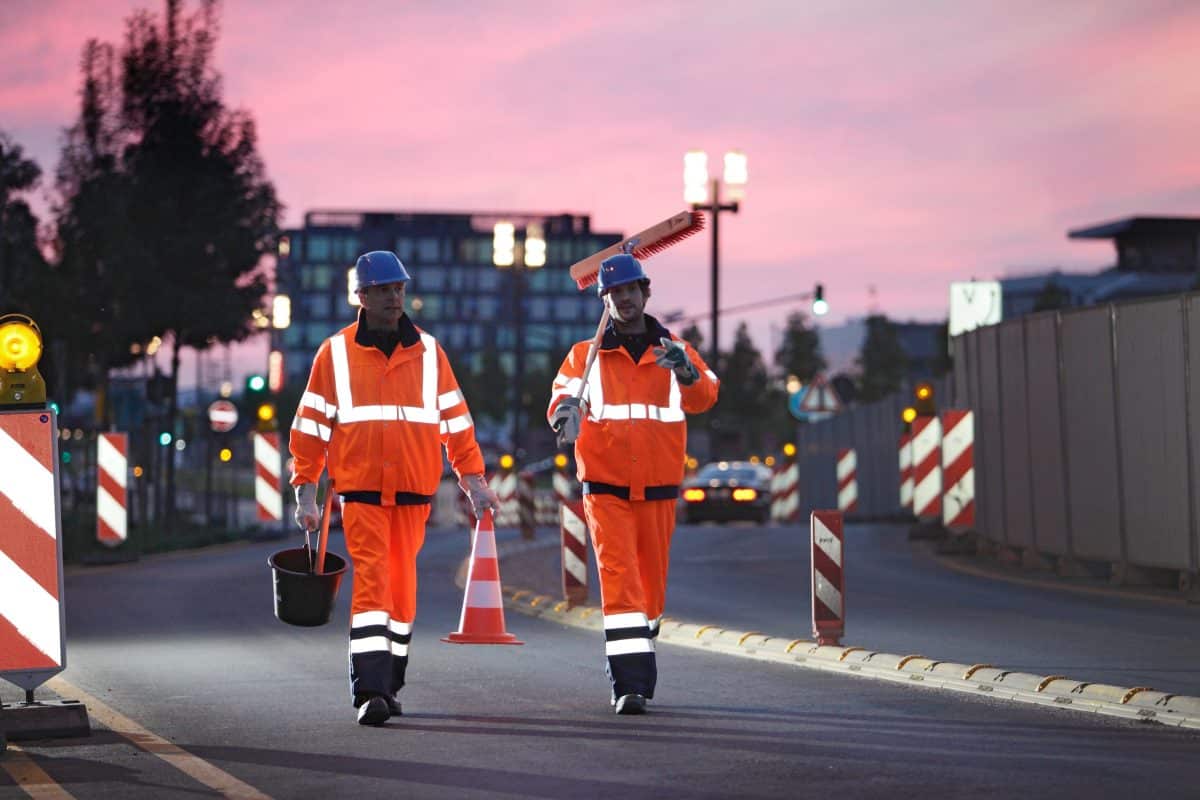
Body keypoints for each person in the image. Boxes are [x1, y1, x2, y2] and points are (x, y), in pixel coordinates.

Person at [290, 250, 500, 726]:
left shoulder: (429, 352)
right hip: (362, 492)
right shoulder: (335, 353)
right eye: (383, 290)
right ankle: (371, 689)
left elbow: (456, 423)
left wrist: (474, 481)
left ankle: (391, 681)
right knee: (372, 581)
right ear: (361, 296)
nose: (394, 297)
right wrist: (306, 491)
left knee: (401, 592)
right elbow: (310, 429)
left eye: (399, 289)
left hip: (412, 492)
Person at [546, 252, 719, 715]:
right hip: (605, 486)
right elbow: (563, 397)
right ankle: (630, 685)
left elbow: (705, 396)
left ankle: (641, 641)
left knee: (650, 589)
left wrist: (684, 370)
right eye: (614, 293)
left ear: (645, 292)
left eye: (630, 290)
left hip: (658, 486)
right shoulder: (585, 356)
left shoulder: (675, 349)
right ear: (605, 301)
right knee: (619, 579)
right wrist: (565, 414)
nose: (623, 299)